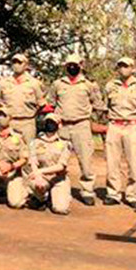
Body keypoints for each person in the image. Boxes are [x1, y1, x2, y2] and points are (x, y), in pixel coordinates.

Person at [46, 55, 104, 206]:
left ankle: (87, 191)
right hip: (62, 126)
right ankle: (55, 188)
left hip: (81, 126)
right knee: (55, 158)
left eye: (75, 64)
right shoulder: (57, 84)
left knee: (85, 160)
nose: (72, 67)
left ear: (81, 65)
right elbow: (51, 103)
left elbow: (98, 104)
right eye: (69, 64)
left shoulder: (89, 85)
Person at [103, 55, 136, 209]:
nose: (123, 69)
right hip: (114, 126)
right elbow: (105, 107)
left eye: (126, 66)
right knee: (112, 163)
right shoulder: (110, 86)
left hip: (133, 127)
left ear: (133, 69)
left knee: (134, 163)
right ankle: (113, 193)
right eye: (120, 66)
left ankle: (133, 195)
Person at [0, 53, 46, 142]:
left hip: (27, 123)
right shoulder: (3, 83)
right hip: (9, 123)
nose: (16, 65)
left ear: (26, 65)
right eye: (14, 62)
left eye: (19, 63)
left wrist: (31, 114)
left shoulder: (34, 83)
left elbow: (41, 104)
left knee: (29, 148)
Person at [27, 117, 72, 215]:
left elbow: (61, 166)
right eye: (48, 122)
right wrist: (37, 175)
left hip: (58, 178)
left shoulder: (65, 143)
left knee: (61, 209)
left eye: (53, 122)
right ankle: (41, 198)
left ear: (59, 125)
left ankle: (55, 196)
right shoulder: (35, 142)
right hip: (42, 177)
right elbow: (33, 161)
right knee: (35, 183)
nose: (50, 124)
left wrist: (40, 171)